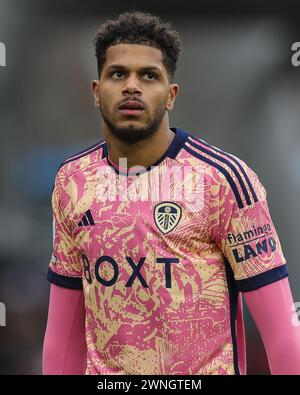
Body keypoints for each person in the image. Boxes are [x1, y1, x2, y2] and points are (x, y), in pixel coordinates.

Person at [42, 11, 300, 375]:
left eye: (149, 76)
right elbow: (62, 338)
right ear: (97, 92)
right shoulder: (72, 182)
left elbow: (283, 336)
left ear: (171, 94)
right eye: (118, 74)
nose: (132, 86)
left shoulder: (224, 181)